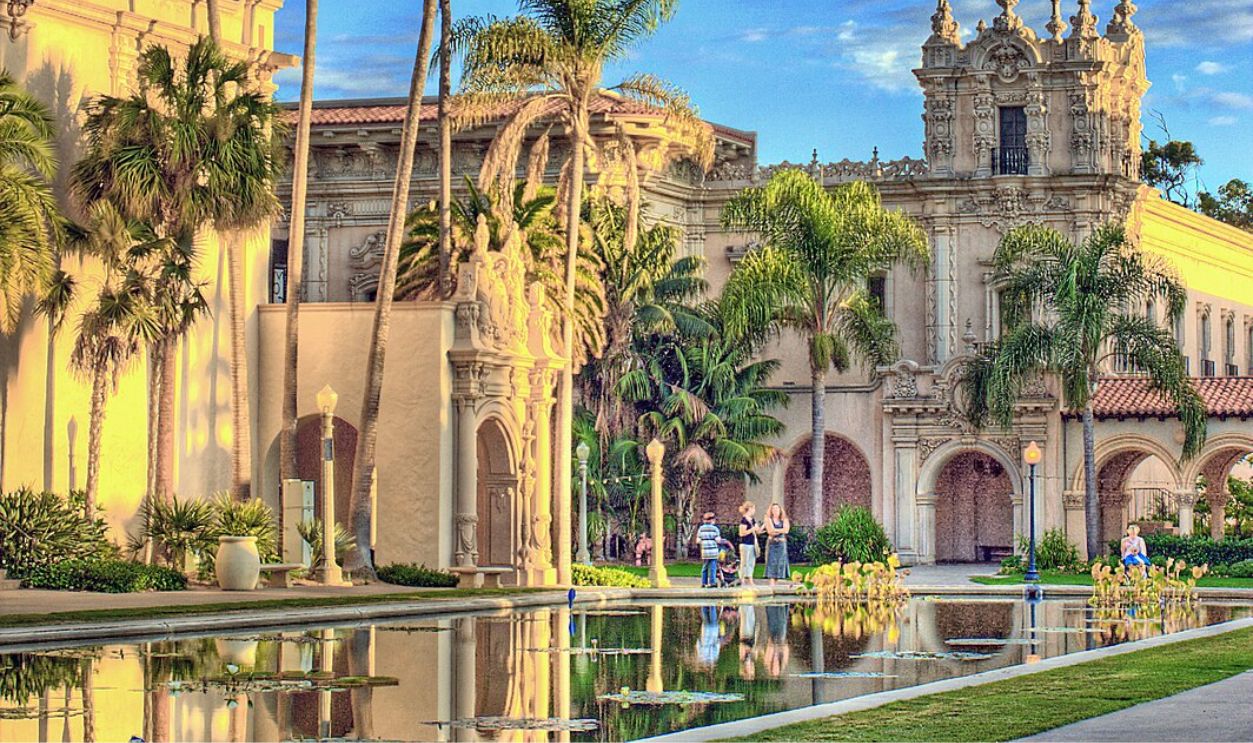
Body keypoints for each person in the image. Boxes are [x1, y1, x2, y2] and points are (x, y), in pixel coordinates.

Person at [764, 502, 791, 586]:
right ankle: (771, 585)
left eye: (777, 509)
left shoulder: (784, 520)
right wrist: (780, 530)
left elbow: (786, 530)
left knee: (780, 564)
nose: (775, 511)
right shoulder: (768, 519)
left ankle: (775, 585)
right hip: (772, 544)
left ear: (780, 510)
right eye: (773, 509)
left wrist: (776, 530)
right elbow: (770, 531)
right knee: (772, 564)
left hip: (781, 545)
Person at [738, 501, 763, 586]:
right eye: (753, 508)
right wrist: (752, 529)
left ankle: (750, 579)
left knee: (751, 562)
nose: (754, 510)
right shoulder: (744, 520)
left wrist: (763, 526)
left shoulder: (752, 520)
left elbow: (758, 531)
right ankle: (742, 579)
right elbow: (742, 533)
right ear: (749, 509)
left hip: (752, 544)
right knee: (744, 562)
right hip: (745, 544)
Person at [697, 512, 722, 588]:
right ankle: (712, 582)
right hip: (713, 551)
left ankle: (704, 582)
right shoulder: (715, 529)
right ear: (712, 520)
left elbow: (698, 540)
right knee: (713, 567)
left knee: (705, 567)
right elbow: (718, 540)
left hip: (705, 551)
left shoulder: (701, 529)